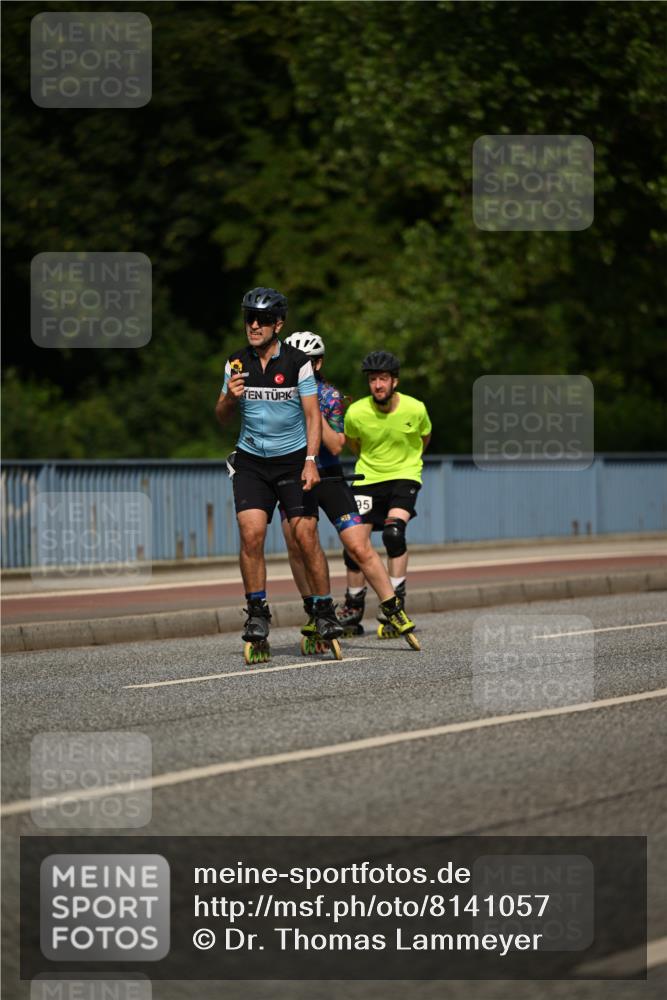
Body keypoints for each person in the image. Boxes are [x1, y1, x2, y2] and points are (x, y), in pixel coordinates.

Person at [215, 287, 343, 651]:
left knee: (305, 536)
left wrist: (310, 461)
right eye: (248, 318)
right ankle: (257, 611)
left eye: (263, 320)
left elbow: (312, 414)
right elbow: (222, 417)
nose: (254, 325)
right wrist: (229, 397)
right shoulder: (235, 364)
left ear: (279, 324)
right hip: (252, 461)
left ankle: (323, 609)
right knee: (250, 532)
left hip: (293, 460)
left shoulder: (297, 362)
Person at [279, 332, 417, 640]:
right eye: (295, 362)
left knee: (358, 545)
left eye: (307, 363)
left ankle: (393, 607)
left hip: (328, 474)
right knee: (296, 544)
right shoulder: (277, 393)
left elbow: (338, 444)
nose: (300, 368)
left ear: (318, 363)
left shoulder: (330, 396)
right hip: (292, 477)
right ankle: (315, 610)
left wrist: (309, 407)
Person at [342, 350, 432, 630]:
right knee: (354, 545)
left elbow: (424, 439)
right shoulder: (356, 412)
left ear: (395, 381)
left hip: (404, 476)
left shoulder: (415, 409)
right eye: (372, 380)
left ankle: (395, 603)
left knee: (394, 534)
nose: (378, 385)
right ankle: (353, 606)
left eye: (383, 379)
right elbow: (353, 444)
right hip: (367, 479)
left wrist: (407, 464)